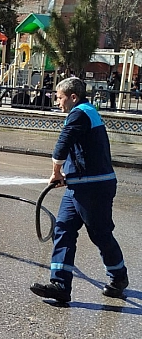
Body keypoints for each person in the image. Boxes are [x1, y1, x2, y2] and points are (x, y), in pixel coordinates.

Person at [30, 77, 128, 303]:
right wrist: (69, 175)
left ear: (73, 97)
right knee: (63, 228)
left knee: (99, 233)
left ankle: (118, 277)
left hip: (94, 187)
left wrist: (56, 171)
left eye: (60, 97)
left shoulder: (80, 113)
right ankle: (60, 285)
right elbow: (82, 151)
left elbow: (63, 143)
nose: (57, 102)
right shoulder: (85, 113)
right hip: (80, 185)